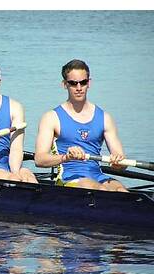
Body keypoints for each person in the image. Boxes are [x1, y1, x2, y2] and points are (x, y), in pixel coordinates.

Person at [34, 59, 128, 192]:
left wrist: (118, 162)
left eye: (83, 82)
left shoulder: (105, 118)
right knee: (96, 188)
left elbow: (122, 164)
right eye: (73, 83)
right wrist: (66, 157)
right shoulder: (51, 117)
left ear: (89, 83)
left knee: (121, 191)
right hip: (69, 177)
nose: (79, 88)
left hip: (97, 175)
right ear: (64, 84)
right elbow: (39, 159)